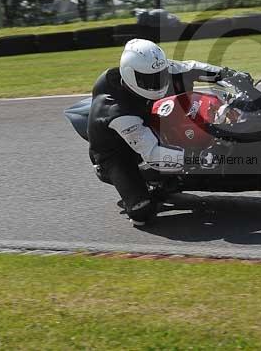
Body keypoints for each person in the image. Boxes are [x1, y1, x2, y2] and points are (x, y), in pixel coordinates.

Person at [87, 38, 249, 226]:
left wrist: (227, 74)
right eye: (149, 80)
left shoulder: (153, 69)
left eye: (160, 75)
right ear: (130, 75)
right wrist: (198, 158)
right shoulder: (116, 111)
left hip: (148, 117)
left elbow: (190, 68)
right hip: (117, 152)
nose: (157, 83)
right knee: (142, 213)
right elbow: (153, 153)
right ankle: (148, 184)